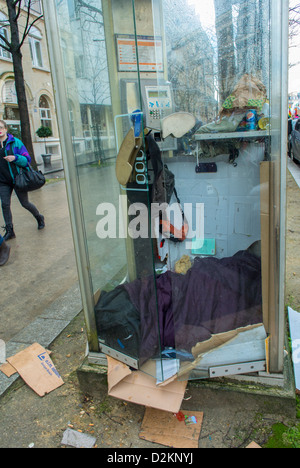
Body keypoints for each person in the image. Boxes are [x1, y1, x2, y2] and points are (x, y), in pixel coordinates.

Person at [0, 120, 45, 240]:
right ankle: (10, 231)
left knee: (24, 203)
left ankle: (39, 217)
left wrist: (15, 158)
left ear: (5, 129)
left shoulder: (15, 143)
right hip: (3, 181)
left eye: (1, 127)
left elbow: (27, 160)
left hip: (17, 179)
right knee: (5, 205)